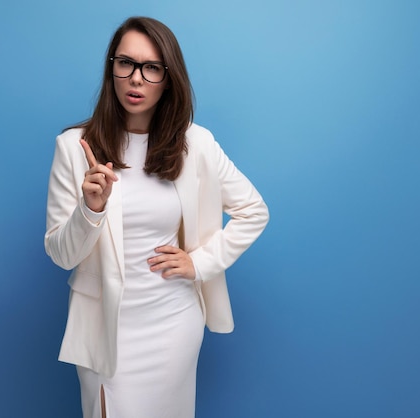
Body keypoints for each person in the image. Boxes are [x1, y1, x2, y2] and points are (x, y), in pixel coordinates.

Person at [44, 16, 269, 418]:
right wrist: (90, 208)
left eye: (151, 68)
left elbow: (254, 210)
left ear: (168, 78)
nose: (136, 79)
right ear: (111, 68)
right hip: (104, 328)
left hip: (172, 323)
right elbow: (62, 255)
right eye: (125, 63)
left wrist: (199, 263)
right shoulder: (74, 148)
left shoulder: (194, 144)